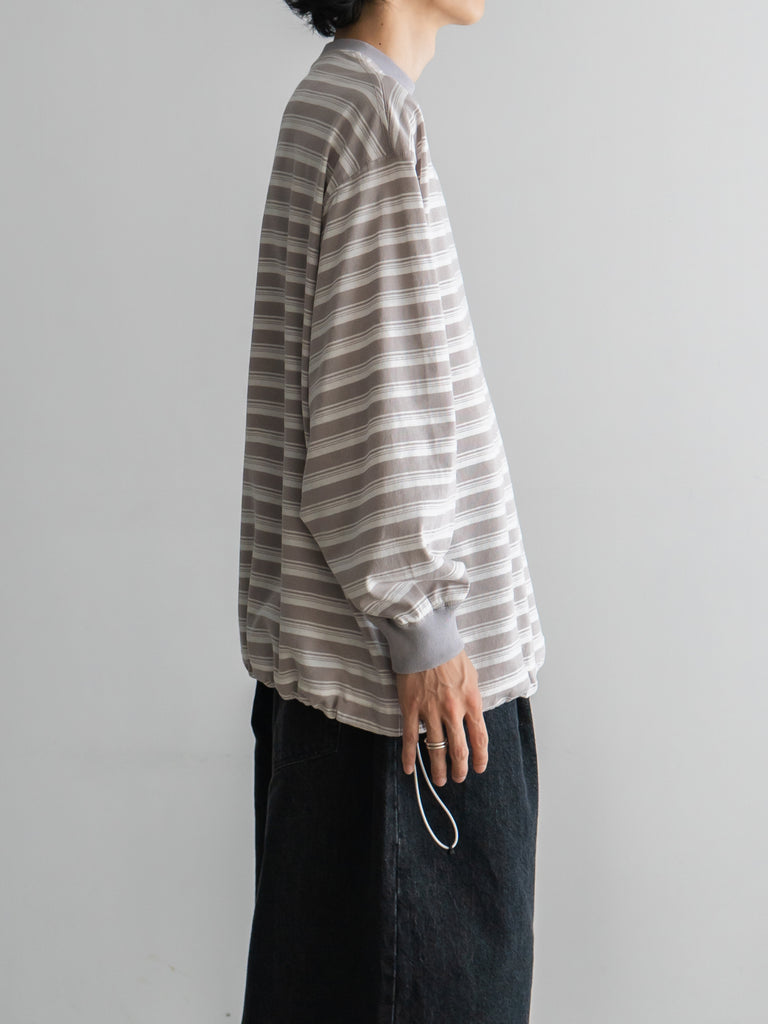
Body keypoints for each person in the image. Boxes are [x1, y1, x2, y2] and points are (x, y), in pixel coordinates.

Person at [237, 2, 546, 1021]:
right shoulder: (371, 117)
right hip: (408, 721)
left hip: (344, 711)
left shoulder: (331, 102)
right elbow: (377, 408)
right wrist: (424, 630)